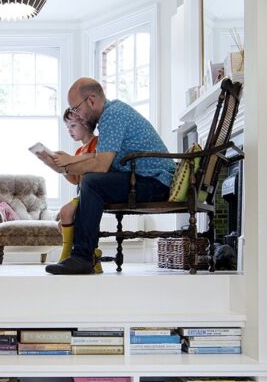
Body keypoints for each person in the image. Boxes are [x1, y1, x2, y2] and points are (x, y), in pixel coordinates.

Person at [44, 79, 175, 275]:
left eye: (76, 108)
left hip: (155, 182)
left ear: (92, 100)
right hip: (143, 178)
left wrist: (68, 162)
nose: (76, 114)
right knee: (90, 181)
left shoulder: (112, 115)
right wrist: (63, 165)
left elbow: (101, 165)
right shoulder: (111, 114)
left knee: (92, 182)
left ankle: (82, 257)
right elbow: (98, 159)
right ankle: (82, 255)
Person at [37, 108, 102, 272]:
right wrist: (57, 166)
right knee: (62, 225)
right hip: (82, 193)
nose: (69, 130)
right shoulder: (79, 151)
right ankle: (94, 257)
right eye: (67, 127)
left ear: (86, 124)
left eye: (73, 125)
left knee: (65, 212)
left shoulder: (97, 144)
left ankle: (66, 255)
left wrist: (71, 161)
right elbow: (74, 180)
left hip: (93, 193)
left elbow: (99, 164)